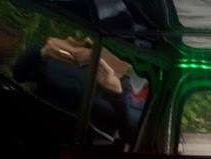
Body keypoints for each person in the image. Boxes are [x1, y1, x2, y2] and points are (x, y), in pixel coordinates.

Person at [12, 36, 147, 146]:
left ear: (130, 63)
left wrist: (117, 97)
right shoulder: (67, 58)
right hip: (24, 129)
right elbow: (19, 75)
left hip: (73, 156)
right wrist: (40, 53)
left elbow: (133, 133)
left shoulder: (128, 91)